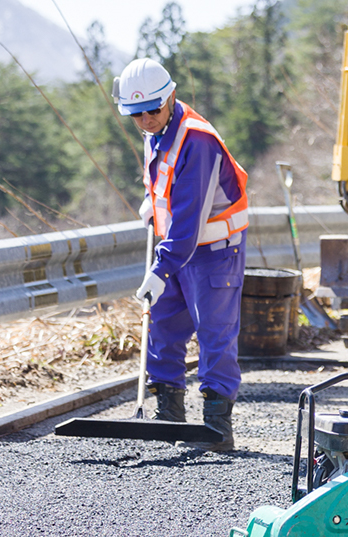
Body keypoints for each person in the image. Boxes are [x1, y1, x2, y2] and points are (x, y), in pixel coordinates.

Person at [115, 58, 249, 452]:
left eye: (152, 110)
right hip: (178, 248)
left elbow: (189, 221)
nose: (145, 120)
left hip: (214, 252)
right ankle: (169, 417)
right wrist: (149, 203)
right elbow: (165, 185)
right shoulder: (155, 132)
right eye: (135, 114)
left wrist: (161, 269)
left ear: (171, 96)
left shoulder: (198, 141)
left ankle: (216, 429)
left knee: (215, 333)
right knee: (163, 326)